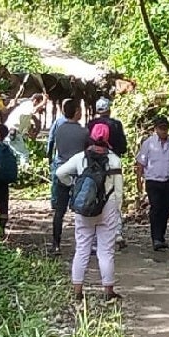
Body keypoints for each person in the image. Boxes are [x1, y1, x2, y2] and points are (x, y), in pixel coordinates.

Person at [55, 123, 124, 302]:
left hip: (84, 207)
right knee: (106, 251)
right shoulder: (114, 160)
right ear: (107, 138)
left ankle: (77, 290)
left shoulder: (80, 158)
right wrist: (118, 212)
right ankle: (108, 291)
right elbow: (118, 192)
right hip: (107, 207)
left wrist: (73, 186)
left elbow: (60, 172)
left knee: (82, 248)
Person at [87, 97, 129, 249]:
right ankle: (117, 232)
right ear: (109, 109)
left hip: (94, 166)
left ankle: (94, 235)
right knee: (115, 197)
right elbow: (123, 147)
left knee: (95, 197)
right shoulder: (115, 125)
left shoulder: (90, 124)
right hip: (113, 165)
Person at [48, 99, 89, 255]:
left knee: (59, 210)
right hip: (78, 173)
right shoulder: (84, 132)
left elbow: (54, 146)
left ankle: (56, 243)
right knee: (83, 209)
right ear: (76, 112)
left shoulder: (59, 130)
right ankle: (85, 244)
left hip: (61, 171)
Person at [135, 115, 169, 251]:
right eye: (161, 128)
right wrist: (139, 181)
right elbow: (141, 163)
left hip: (168, 181)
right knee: (156, 208)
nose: (164, 131)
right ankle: (156, 238)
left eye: (166, 128)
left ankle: (161, 236)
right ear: (156, 129)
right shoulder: (148, 143)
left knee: (166, 209)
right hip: (153, 181)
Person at [4, 93, 41, 167]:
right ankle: (24, 170)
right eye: (39, 104)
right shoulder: (28, 104)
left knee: (13, 154)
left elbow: (27, 128)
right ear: (35, 101)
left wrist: (31, 135)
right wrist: (44, 102)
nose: (40, 108)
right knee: (24, 154)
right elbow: (34, 110)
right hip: (12, 131)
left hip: (11, 132)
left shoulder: (27, 112)